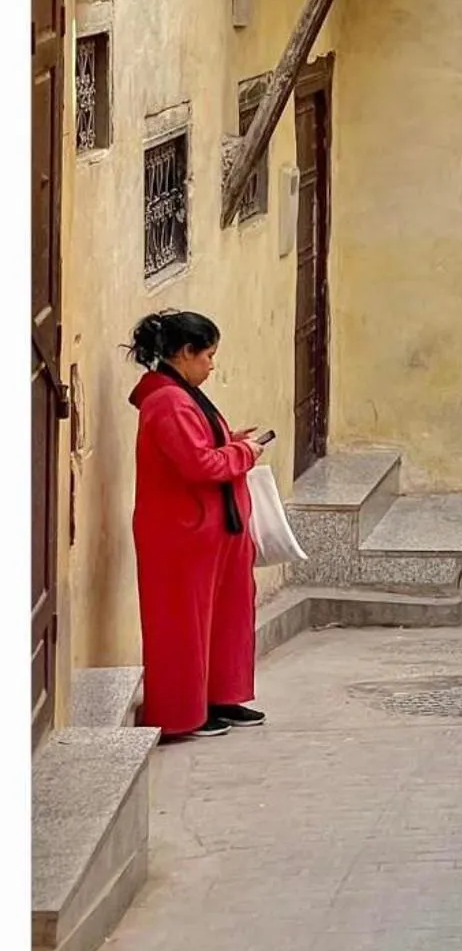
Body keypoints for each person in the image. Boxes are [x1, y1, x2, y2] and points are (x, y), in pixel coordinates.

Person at [126, 310, 268, 740]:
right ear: (185, 354)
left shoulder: (181, 393)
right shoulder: (168, 400)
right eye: (208, 355)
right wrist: (244, 452)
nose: (211, 364)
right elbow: (197, 463)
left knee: (224, 616)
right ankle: (181, 712)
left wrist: (231, 441)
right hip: (181, 531)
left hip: (210, 527)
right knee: (182, 624)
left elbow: (201, 447)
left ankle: (218, 696)